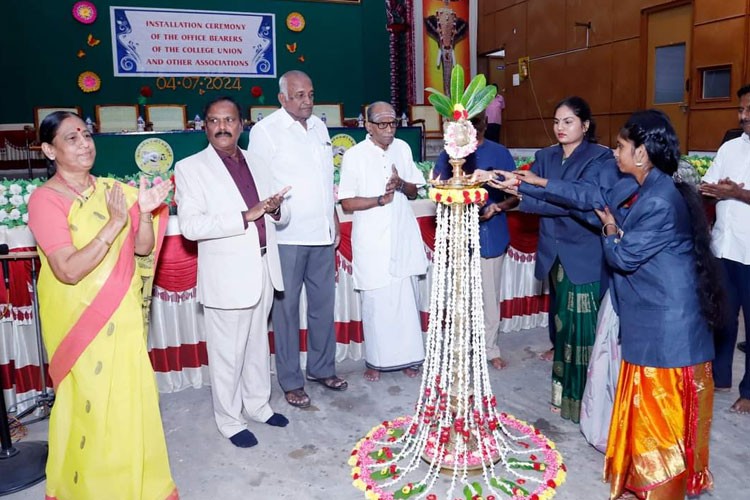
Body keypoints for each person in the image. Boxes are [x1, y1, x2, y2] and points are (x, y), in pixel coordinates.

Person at [27, 111, 177, 499]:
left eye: (86, 134)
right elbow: (68, 270)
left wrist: (143, 213)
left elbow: (143, 247)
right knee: (92, 411)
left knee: (129, 406)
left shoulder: (114, 190)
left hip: (122, 317)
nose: (84, 143)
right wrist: (113, 224)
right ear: (49, 150)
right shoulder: (45, 201)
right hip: (81, 325)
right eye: (71, 138)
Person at [596, 110, 720, 499]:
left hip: (666, 332)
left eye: (620, 146)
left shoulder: (658, 200)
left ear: (643, 153)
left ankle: (660, 491)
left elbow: (623, 257)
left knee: (659, 420)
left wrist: (611, 228)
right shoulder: (657, 188)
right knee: (655, 419)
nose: (615, 153)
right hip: (661, 324)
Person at [175, 96, 290, 448]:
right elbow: (191, 227)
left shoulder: (258, 161)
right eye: (214, 121)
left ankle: (258, 405)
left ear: (242, 124)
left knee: (257, 345)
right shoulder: (190, 168)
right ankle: (229, 420)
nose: (222, 127)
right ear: (204, 126)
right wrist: (246, 215)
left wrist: (273, 211)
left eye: (229, 120)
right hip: (226, 275)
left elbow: (281, 216)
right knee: (228, 354)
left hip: (264, 265)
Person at [247, 70, 347, 408]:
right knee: (286, 311)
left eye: (310, 94)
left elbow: (323, 179)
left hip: (321, 233)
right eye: (299, 95)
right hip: (286, 236)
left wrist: (332, 216)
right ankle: (290, 380)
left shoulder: (319, 126)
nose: (307, 101)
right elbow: (261, 185)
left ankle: (322, 368)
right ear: (282, 98)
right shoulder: (265, 132)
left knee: (322, 307)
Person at [338, 101, 428, 382]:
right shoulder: (354, 156)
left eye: (393, 124)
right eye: (382, 124)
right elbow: (347, 201)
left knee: (404, 302)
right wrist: (379, 199)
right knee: (376, 303)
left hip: (402, 235)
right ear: (368, 126)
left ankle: (408, 358)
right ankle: (375, 361)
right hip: (372, 240)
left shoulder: (402, 148)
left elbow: (415, 191)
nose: (389, 130)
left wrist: (400, 184)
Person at [433, 110, 517, 370]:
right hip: (459, 236)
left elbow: (516, 194)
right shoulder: (449, 155)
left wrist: (497, 208)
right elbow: (437, 190)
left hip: (491, 234)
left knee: (489, 296)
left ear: (485, 125)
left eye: (477, 127)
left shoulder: (499, 153)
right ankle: (462, 346)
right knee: (460, 296)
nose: (473, 133)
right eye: (468, 127)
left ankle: (490, 348)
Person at [699, 83, 750, 415]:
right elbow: (710, 186)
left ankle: (749, 392)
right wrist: (715, 189)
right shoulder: (730, 147)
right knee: (722, 317)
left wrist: (740, 194)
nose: (743, 116)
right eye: (741, 110)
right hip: (724, 245)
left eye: (749, 111)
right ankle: (720, 378)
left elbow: (734, 192)